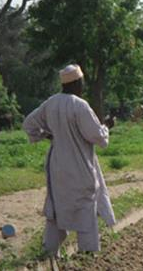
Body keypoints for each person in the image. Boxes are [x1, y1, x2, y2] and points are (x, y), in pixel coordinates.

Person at [23, 64, 116, 256]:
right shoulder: (79, 105)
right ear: (76, 83)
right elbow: (98, 138)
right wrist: (106, 125)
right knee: (85, 208)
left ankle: (50, 251)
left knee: (57, 207)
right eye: (81, 82)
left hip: (57, 166)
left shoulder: (51, 103)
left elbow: (29, 124)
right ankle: (88, 253)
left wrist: (48, 135)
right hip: (79, 167)